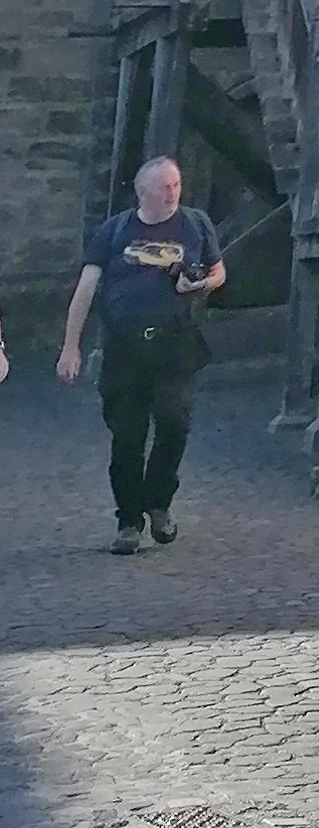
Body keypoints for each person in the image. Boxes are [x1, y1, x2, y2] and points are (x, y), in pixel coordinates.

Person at [57, 157, 225, 553]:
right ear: (143, 191)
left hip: (175, 345)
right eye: (165, 186)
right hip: (125, 348)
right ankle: (129, 520)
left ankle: (159, 503)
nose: (173, 193)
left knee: (174, 422)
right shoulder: (114, 231)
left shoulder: (196, 224)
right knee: (128, 437)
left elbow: (219, 272)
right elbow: (85, 290)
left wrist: (197, 285)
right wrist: (70, 346)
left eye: (177, 185)